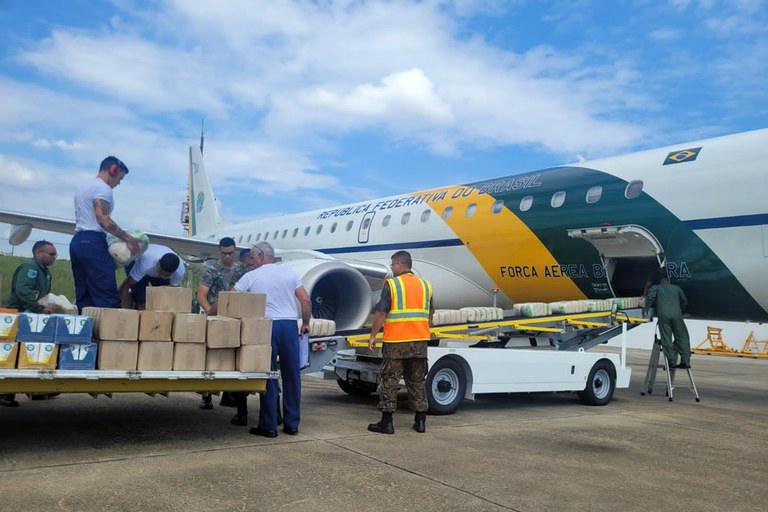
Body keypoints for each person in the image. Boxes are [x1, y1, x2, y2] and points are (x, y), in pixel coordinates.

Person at [234, 241, 311, 437]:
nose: (251, 262)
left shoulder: (251, 276)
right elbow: (305, 299)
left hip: (266, 326)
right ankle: (292, 424)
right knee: (292, 376)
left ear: (260, 256)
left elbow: (231, 298)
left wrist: (211, 312)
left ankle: (268, 426)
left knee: (268, 374)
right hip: (289, 326)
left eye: (252, 258)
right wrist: (306, 323)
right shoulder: (289, 273)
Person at [367, 250, 433, 434]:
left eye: (392, 265)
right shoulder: (426, 286)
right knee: (417, 380)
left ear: (399, 264)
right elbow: (430, 315)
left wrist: (373, 335)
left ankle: (386, 423)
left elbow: (381, 312)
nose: (391, 268)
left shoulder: (393, 284)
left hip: (396, 341)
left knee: (390, 380)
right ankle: (420, 421)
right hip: (419, 342)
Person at [70, 156, 141, 311]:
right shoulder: (103, 188)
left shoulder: (84, 187)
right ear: (113, 170)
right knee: (106, 295)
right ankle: (111, 333)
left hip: (78, 242)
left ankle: (88, 331)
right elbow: (103, 219)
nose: (119, 183)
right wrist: (129, 239)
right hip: (93, 242)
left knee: (85, 296)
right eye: (120, 178)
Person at [1, 240, 59, 407]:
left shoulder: (45, 272)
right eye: (51, 253)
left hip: (31, 315)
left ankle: (38, 390)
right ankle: (5, 393)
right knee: (13, 353)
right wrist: (38, 309)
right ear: (38, 253)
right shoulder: (30, 268)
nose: (55, 257)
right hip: (16, 316)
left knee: (32, 353)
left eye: (55, 253)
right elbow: (23, 291)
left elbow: (42, 295)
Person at [196, 237, 242, 411]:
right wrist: (209, 311)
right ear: (219, 251)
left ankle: (231, 393)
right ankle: (206, 395)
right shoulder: (212, 269)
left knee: (230, 356)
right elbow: (201, 294)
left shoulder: (239, 270)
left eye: (231, 253)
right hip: (215, 316)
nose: (228, 256)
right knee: (210, 356)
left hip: (233, 317)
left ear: (235, 251)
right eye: (224, 253)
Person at [644, 271, 692, 369]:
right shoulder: (677, 288)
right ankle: (685, 361)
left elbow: (650, 298)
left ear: (659, 280)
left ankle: (671, 362)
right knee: (682, 337)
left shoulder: (656, 288)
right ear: (668, 279)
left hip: (664, 315)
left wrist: (646, 309)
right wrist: (681, 310)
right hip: (677, 315)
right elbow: (684, 301)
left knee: (666, 338)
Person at [119, 244, 185, 310]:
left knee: (164, 298)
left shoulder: (180, 272)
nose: (162, 276)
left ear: (174, 272)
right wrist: (118, 308)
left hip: (153, 269)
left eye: (166, 275)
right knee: (141, 299)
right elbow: (127, 284)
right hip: (136, 260)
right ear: (159, 262)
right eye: (161, 273)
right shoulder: (146, 264)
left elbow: (172, 290)